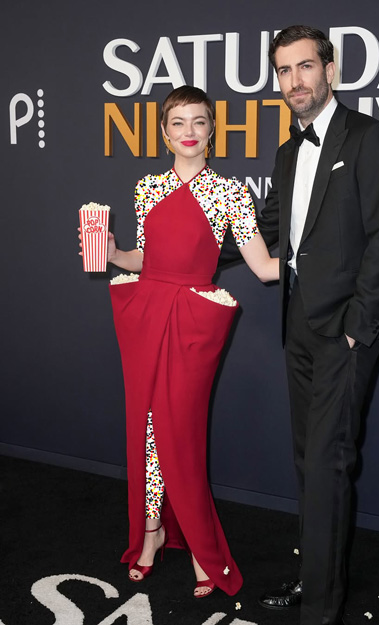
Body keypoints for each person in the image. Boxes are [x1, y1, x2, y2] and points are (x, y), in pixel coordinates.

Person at [85, 86, 278, 597]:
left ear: (212, 129)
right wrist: (113, 252)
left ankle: (197, 541)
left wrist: (322, 258)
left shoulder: (230, 192)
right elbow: (145, 258)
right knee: (146, 426)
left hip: (192, 320)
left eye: (199, 122)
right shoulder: (148, 187)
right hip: (146, 313)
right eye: (178, 123)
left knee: (182, 430)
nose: (189, 132)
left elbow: (263, 268)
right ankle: (151, 531)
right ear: (164, 132)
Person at [254, 25, 379, 625]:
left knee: (326, 464)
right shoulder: (287, 152)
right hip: (297, 324)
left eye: (305, 66)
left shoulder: (368, 138)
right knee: (308, 462)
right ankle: (315, 577)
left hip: (346, 330)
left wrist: (356, 326)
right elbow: (264, 231)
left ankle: (320, 611)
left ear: (330, 69)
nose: (295, 80)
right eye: (284, 70)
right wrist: (178, 249)